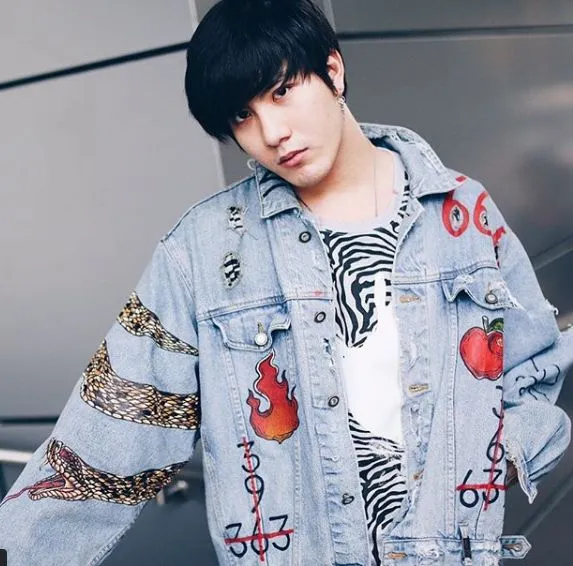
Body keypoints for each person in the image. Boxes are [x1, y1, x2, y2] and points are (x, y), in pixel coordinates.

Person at [1, 0, 571, 564]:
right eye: (242, 116)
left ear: (333, 71)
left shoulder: (462, 213)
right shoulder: (202, 251)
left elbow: (534, 366)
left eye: (281, 91)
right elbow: (109, 433)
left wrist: (493, 466)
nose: (272, 132)